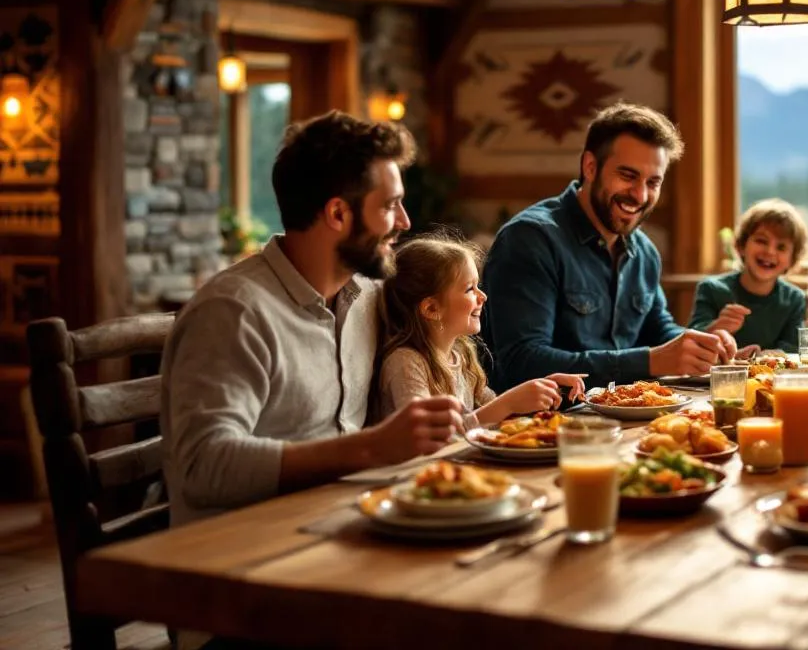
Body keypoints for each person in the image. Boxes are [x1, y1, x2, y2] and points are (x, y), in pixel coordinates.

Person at [160, 111, 466, 528]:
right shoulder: (233, 312)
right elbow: (203, 467)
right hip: (241, 556)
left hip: (346, 526)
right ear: (338, 214)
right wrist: (370, 448)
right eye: (390, 205)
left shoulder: (369, 298)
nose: (405, 222)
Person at [481, 102, 736, 391]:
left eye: (653, 182)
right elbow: (521, 362)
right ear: (590, 167)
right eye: (627, 176)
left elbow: (658, 330)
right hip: (537, 426)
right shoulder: (529, 239)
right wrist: (650, 362)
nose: (640, 195)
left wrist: (702, 347)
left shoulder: (645, 252)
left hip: (623, 419)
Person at [379, 234, 588, 424]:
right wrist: (509, 403)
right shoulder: (405, 363)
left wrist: (545, 389)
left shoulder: (460, 355)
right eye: (470, 289)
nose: (483, 296)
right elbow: (426, 436)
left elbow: (495, 415)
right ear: (432, 308)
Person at [688, 198, 808, 353]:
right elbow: (692, 340)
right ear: (741, 246)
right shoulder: (711, 289)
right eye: (761, 241)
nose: (770, 251)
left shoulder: (795, 299)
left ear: (792, 261)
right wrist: (717, 326)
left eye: (781, 247)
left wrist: (761, 358)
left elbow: (793, 347)